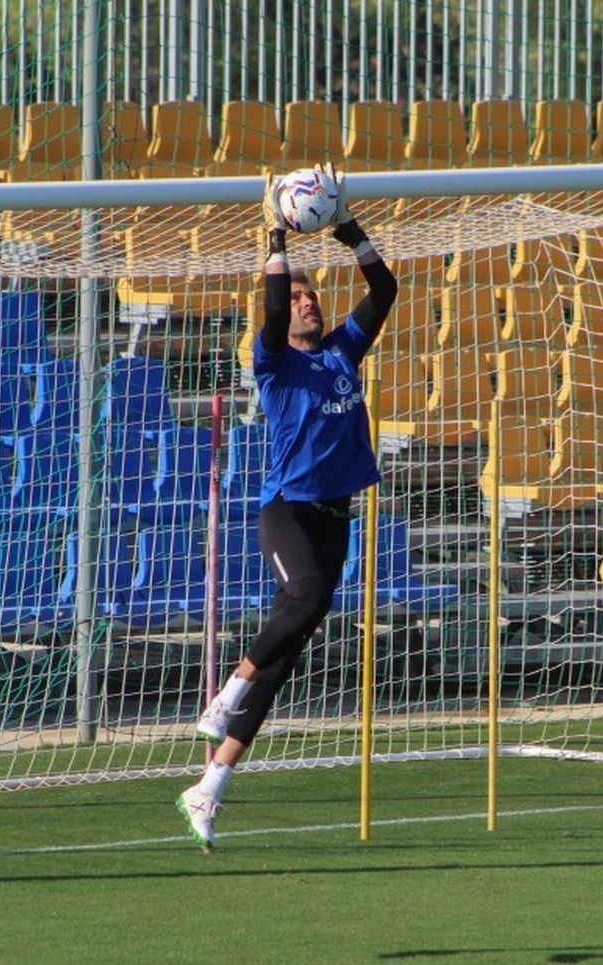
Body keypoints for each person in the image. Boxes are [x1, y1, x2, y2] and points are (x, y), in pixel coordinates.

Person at [177, 165, 398, 851]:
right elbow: (270, 314)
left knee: (291, 649)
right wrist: (276, 237)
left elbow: (385, 290)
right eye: (297, 295)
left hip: (336, 516)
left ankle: (209, 786)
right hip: (288, 511)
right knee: (305, 599)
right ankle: (225, 694)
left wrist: (348, 229)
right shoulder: (273, 360)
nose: (306, 303)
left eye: (311, 295)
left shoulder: (342, 352)